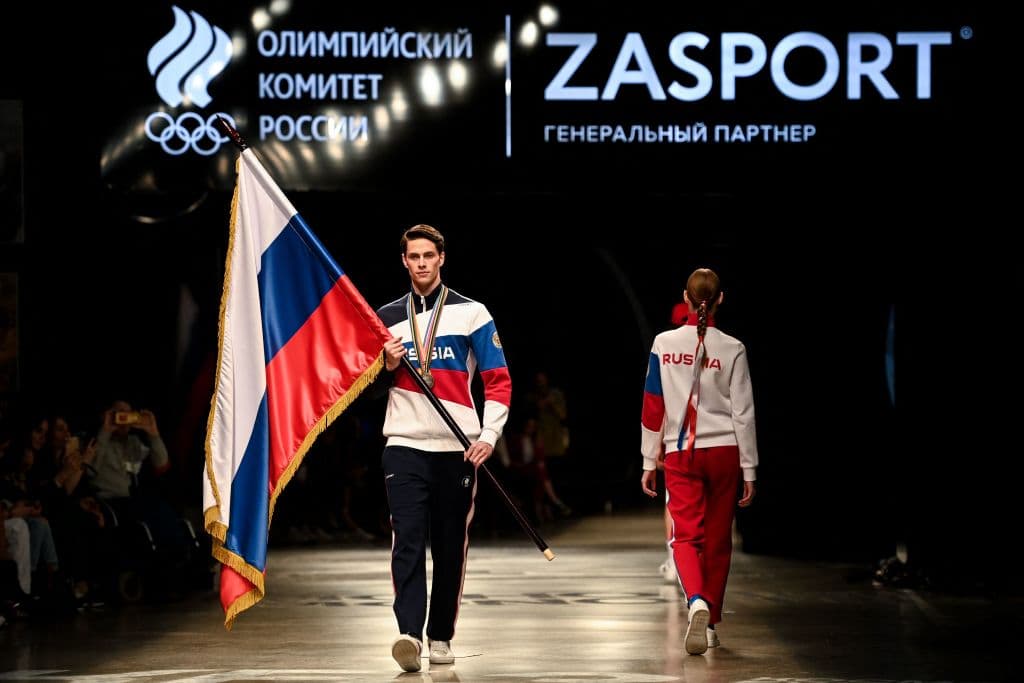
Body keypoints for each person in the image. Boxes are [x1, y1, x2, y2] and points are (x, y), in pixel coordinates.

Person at [377, 224, 512, 672]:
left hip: (457, 449)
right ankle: (410, 635)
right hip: (404, 445)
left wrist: (488, 436)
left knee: (450, 546)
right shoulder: (385, 317)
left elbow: (498, 380)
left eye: (427, 256)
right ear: (404, 260)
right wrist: (386, 366)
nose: (420, 263)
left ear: (441, 259)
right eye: (413, 256)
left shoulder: (472, 313)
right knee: (407, 542)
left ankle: (440, 636)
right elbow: (364, 390)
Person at [639, 267, 758, 655]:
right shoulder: (734, 347)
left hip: (680, 452)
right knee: (720, 540)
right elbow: (744, 412)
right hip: (725, 452)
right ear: (721, 299)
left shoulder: (662, 343)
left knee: (686, 536)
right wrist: (750, 468)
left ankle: (697, 603)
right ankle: (712, 625)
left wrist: (646, 460)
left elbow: (652, 405)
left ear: (685, 299)